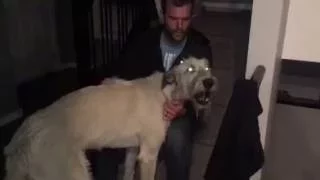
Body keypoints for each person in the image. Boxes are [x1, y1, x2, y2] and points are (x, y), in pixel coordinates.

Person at [92, 0, 213, 179]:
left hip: (179, 114)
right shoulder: (144, 39)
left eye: (185, 19)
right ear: (163, 15)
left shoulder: (201, 47)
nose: (179, 26)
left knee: (177, 138)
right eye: (173, 18)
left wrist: (184, 107)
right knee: (105, 137)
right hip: (141, 111)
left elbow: (205, 97)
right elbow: (123, 73)